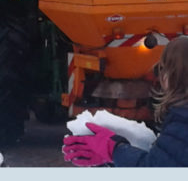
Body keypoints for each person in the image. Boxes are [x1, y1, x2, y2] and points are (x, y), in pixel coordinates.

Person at [62, 36, 188, 167]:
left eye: (163, 69)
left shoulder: (182, 122)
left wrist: (113, 149)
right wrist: (117, 154)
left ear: (173, 76)